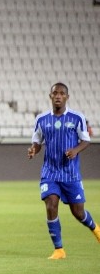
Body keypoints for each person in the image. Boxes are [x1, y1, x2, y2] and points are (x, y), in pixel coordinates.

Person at [27, 83, 100, 259]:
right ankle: (59, 249)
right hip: (50, 173)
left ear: (67, 97)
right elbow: (37, 142)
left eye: (61, 93)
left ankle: (96, 229)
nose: (58, 96)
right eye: (55, 93)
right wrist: (33, 150)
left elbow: (85, 140)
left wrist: (75, 150)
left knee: (78, 212)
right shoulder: (41, 119)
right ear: (50, 96)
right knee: (51, 204)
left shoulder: (77, 118)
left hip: (70, 174)